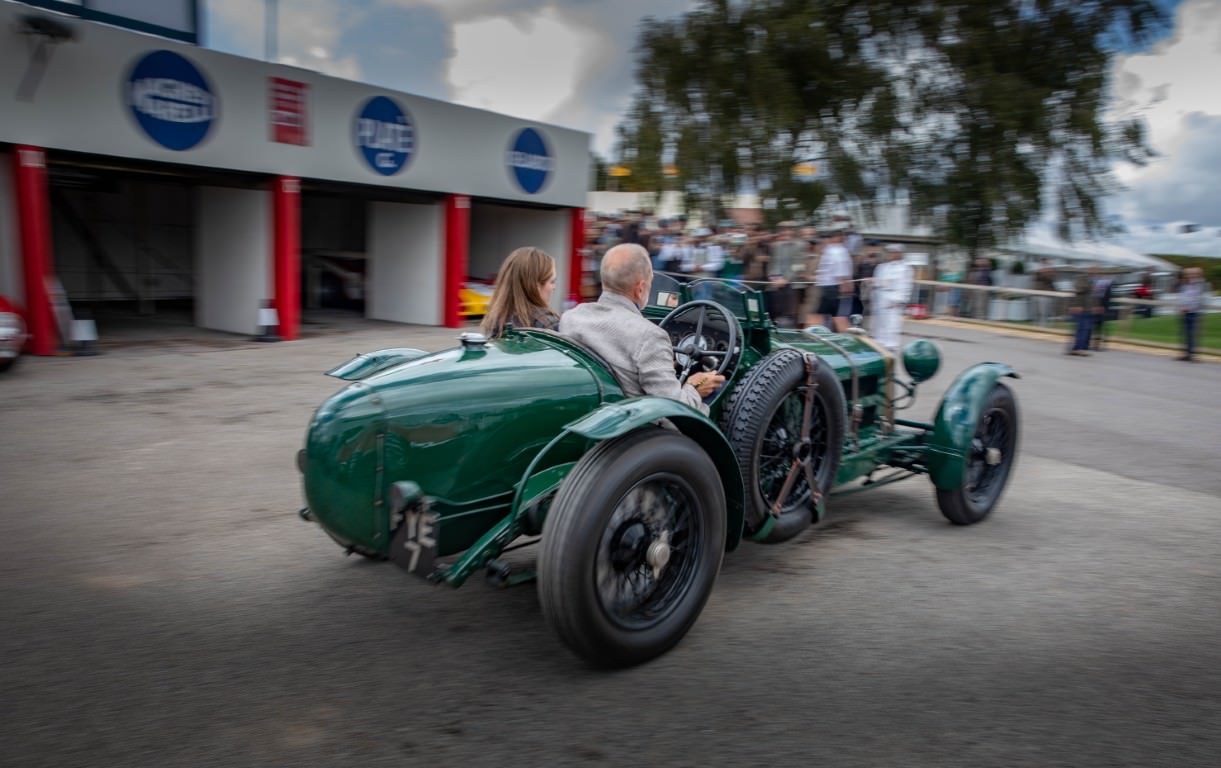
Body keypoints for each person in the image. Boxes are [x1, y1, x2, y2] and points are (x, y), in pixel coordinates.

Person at [558, 243, 724, 415]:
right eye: (651, 282)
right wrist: (694, 386)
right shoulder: (650, 336)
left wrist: (662, 362)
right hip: (639, 424)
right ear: (640, 288)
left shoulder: (571, 317)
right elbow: (675, 408)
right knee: (719, 389)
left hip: (588, 412)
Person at [479, 246, 559, 337]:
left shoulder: (497, 321)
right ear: (535, 286)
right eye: (552, 282)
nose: (554, 288)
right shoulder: (548, 324)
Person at [808, 226, 853, 330]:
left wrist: (844, 285)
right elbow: (837, 270)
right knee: (833, 316)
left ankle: (826, 333)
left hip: (830, 286)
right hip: (830, 286)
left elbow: (839, 271)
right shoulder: (835, 250)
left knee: (831, 316)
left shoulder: (834, 250)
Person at [870, 244, 913, 352]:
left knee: (892, 324)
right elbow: (877, 282)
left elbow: (906, 285)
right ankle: (879, 344)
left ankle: (891, 347)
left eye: (894, 252)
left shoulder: (905, 268)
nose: (891, 254)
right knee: (879, 324)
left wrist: (900, 300)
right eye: (890, 252)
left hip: (894, 298)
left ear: (900, 254)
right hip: (881, 296)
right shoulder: (882, 267)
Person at [1177, 267, 1208, 362]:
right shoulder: (1186, 284)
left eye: (1193, 273)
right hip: (1185, 312)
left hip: (1194, 313)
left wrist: (1189, 307)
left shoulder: (1201, 284)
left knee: (1193, 335)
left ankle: (1193, 355)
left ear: (1198, 274)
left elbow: (1198, 298)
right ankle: (1186, 354)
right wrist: (1182, 306)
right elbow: (1183, 297)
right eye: (1189, 274)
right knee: (1185, 334)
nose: (1190, 275)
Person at [1066, 268, 1097, 356]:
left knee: (1084, 329)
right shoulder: (1081, 278)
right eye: (1093, 270)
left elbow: (1091, 295)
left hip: (1087, 308)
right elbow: (1079, 290)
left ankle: (1077, 348)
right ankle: (1078, 348)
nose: (1094, 272)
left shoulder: (1092, 281)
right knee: (1082, 329)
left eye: (1096, 270)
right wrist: (1090, 286)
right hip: (1079, 308)